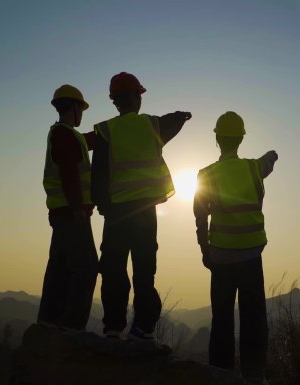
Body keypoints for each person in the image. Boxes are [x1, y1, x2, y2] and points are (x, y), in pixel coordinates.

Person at [92, 72, 191, 340]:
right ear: (136, 97)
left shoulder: (105, 131)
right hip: (145, 213)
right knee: (144, 271)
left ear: (115, 102)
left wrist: (101, 206)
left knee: (113, 269)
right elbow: (172, 121)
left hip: (115, 214)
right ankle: (143, 328)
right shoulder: (152, 126)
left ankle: (113, 326)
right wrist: (183, 115)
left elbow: (98, 174)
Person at [193, 111, 278, 384]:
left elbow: (199, 215)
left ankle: (220, 375)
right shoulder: (254, 168)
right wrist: (273, 155)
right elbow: (269, 161)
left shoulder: (205, 174)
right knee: (254, 319)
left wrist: (205, 250)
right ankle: (254, 377)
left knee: (222, 321)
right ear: (241, 139)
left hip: (220, 258)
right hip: (251, 257)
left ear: (217, 139)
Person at [38, 84, 99, 330]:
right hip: (71, 214)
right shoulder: (64, 135)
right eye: (80, 108)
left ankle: (48, 325)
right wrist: (77, 209)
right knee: (86, 268)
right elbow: (69, 173)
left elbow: (86, 143)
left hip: (62, 213)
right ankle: (72, 330)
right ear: (73, 107)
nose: (82, 113)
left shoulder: (65, 134)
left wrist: (107, 132)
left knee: (59, 270)